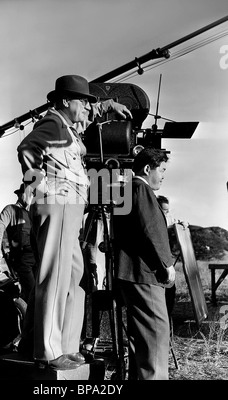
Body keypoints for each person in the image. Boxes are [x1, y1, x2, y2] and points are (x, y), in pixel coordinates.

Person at [17, 74, 131, 370]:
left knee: (74, 276)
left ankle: (53, 344)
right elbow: (27, 150)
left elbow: (86, 114)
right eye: (83, 100)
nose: (87, 107)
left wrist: (105, 105)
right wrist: (43, 190)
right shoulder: (54, 122)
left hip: (69, 209)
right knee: (55, 276)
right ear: (66, 101)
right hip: (59, 204)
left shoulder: (67, 125)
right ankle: (49, 351)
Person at [113, 147, 175, 380]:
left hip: (130, 276)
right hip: (145, 275)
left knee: (141, 340)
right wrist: (166, 265)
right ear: (148, 168)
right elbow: (152, 231)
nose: (163, 175)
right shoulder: (141, 189)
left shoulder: (125, 191)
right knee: (156, 338)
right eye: (162, 169)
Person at [0, 183, 36, 305]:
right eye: (28, 194)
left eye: (33, 194)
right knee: (32, 290)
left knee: (37, 290)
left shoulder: (33, 213)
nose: (31, 197)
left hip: (35, 257)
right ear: (20, 195)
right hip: (22, 259)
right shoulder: (11, 210)